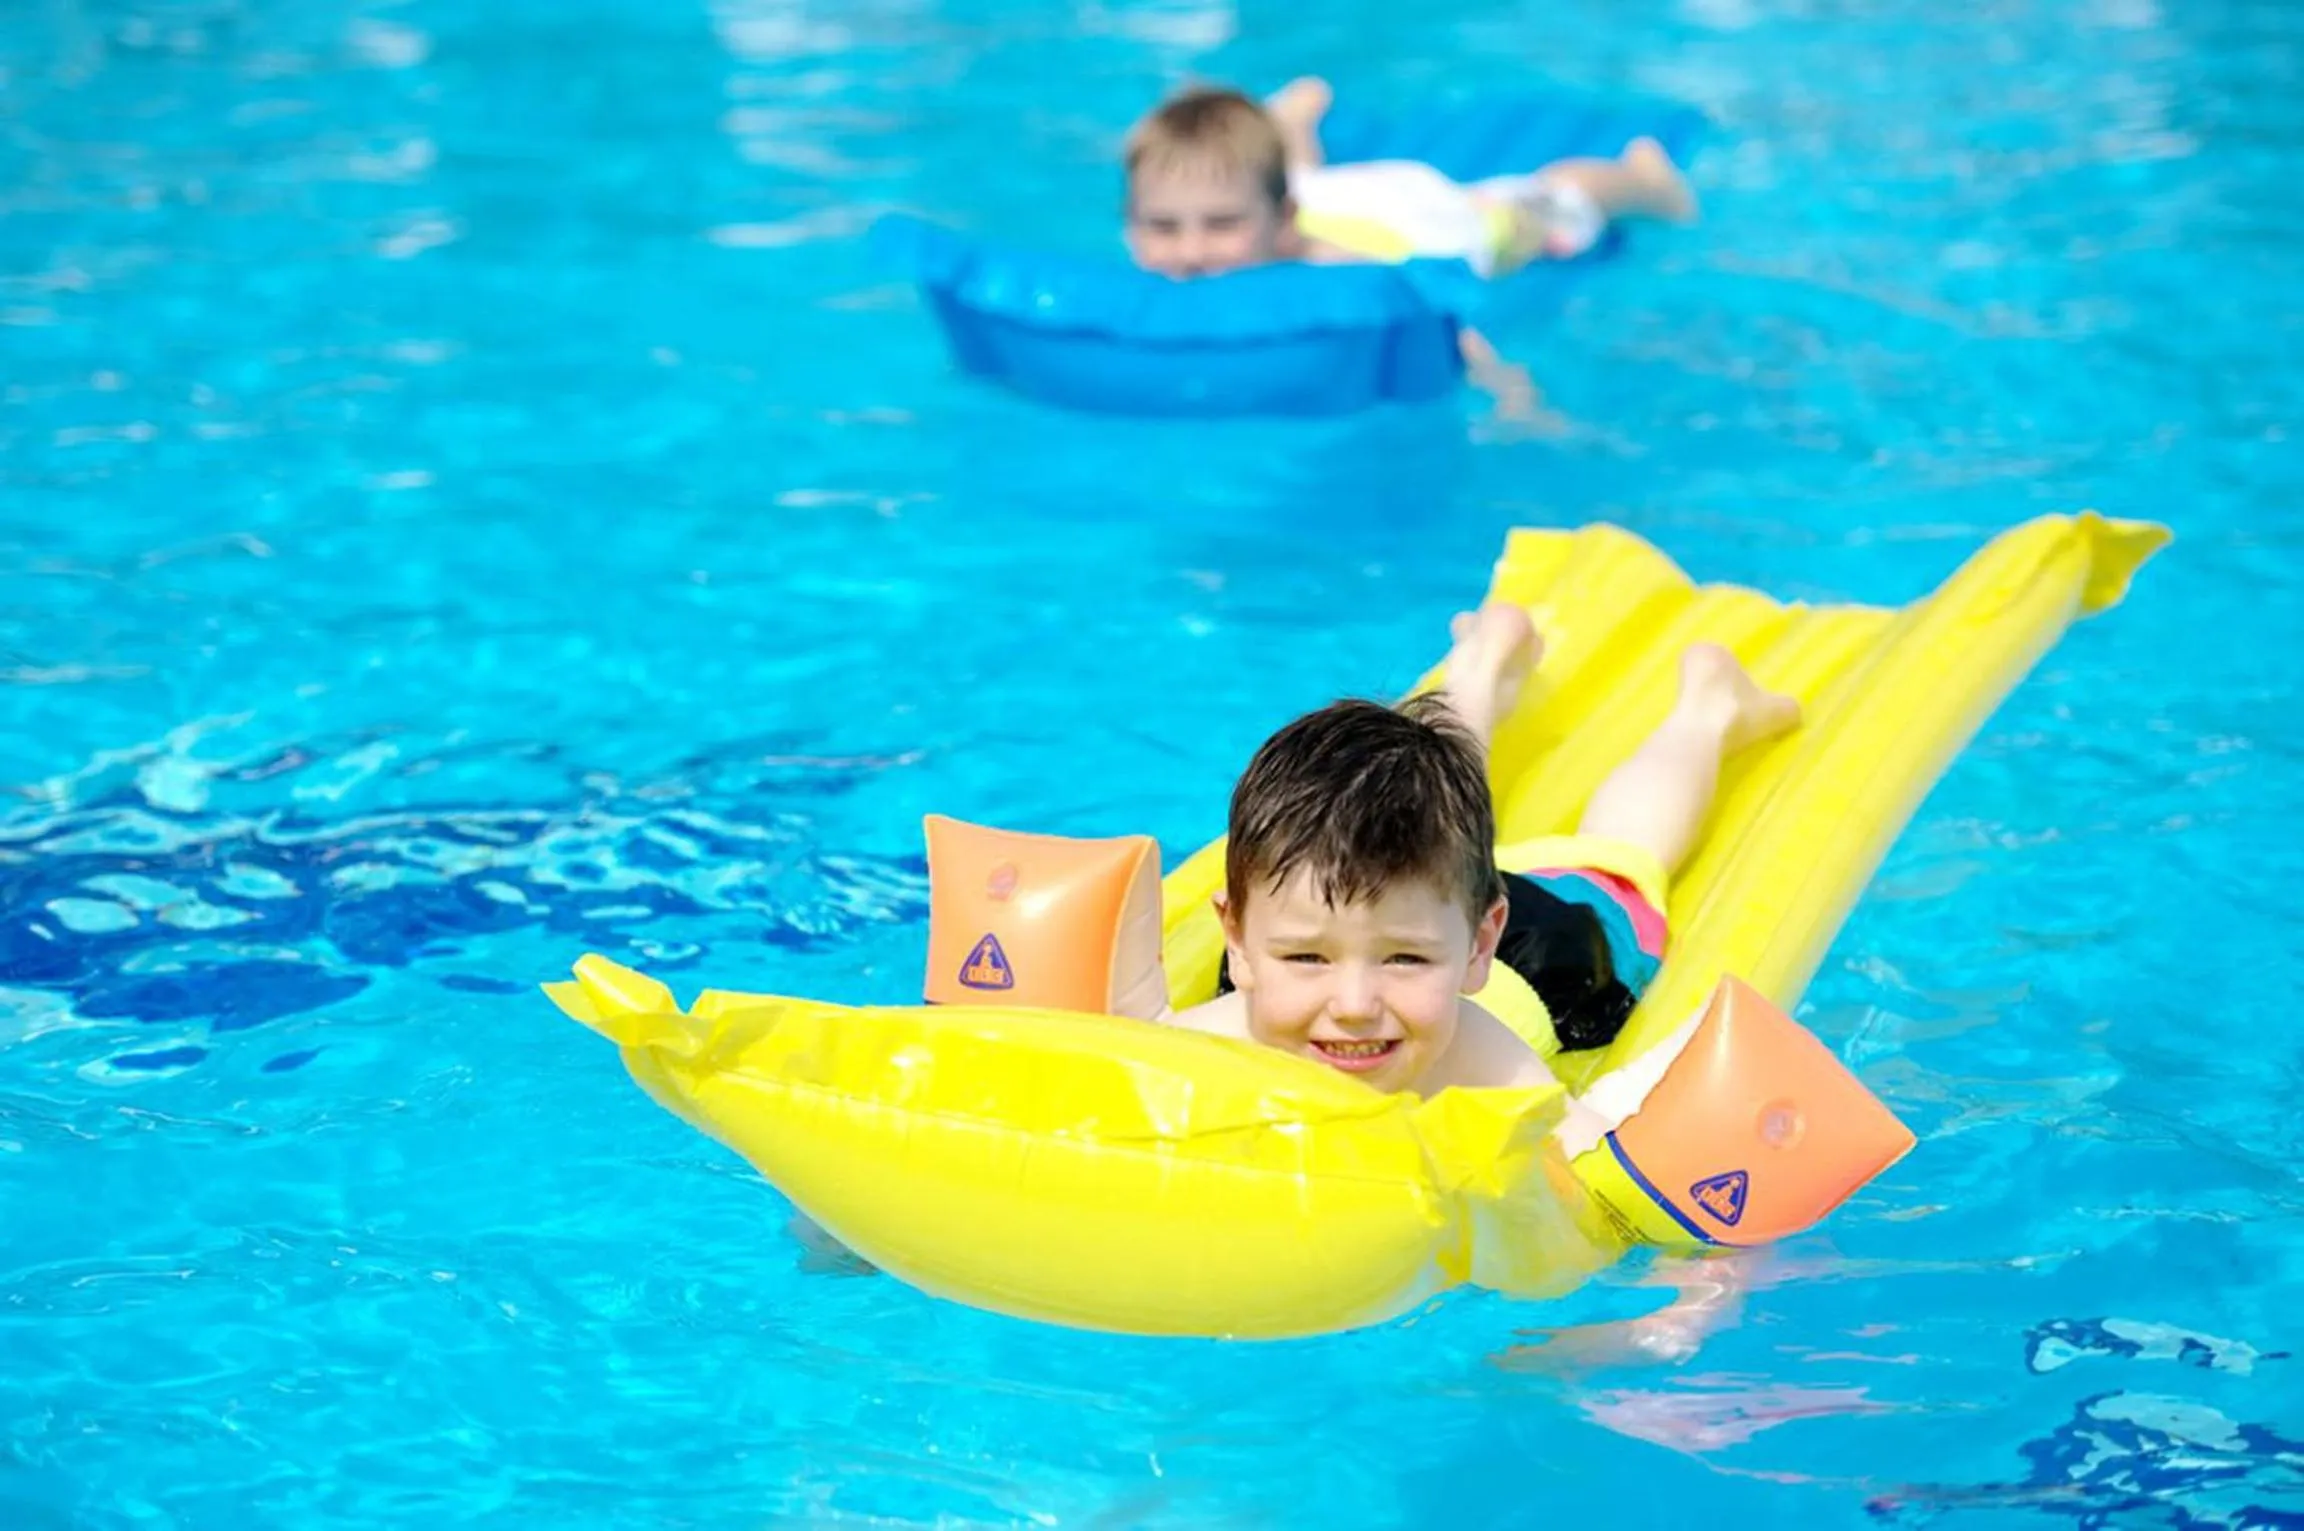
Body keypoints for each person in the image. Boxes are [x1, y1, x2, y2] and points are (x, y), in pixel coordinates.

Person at [1161, 600, 1799, 1111]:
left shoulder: (1486, 1069)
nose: (1354, 1004)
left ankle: (1706, 710)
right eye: (1306, 958)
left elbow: (1578, 1183)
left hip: (1544, 955)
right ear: (1238, 942)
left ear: (1477, 946)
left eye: (1403, 961)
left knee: (1622, 852)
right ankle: (1482, 664)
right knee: (1420, 802)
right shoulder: (1201, 1047)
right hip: (1422, 907)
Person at [1121, 81, 1699, 413]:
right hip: (1321, 195)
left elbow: (1431, 318)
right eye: (1163, 227)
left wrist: (1508, 392)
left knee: (1557, 201)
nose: (1190, 251)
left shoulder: (1339, 272)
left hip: (1429, 224)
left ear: (1282, 227)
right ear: (1131, 226)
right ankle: (1292, 126)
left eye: (1219, 226)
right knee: (1291, 179)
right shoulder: (1240, 223)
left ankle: (1644, 180)